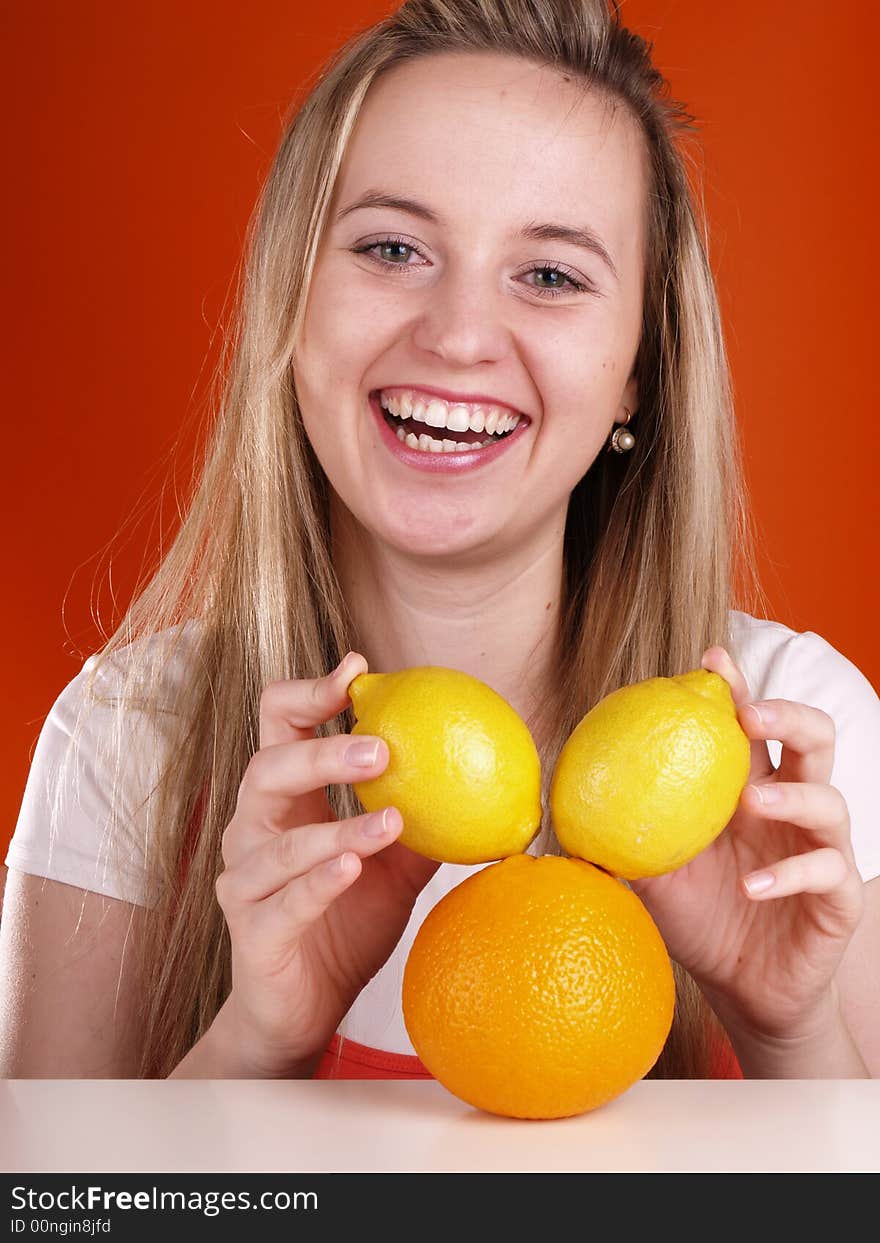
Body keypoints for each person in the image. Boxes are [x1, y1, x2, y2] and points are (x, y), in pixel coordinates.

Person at [1, 0, 877, 1083]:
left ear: (639, 369)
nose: (457, 336)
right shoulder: (127, 739)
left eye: (549, 274)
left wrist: (788, 1035)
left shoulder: (788, 747)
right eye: (392, 248)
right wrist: (255, 1038)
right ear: (291, 299)